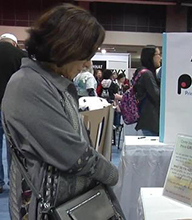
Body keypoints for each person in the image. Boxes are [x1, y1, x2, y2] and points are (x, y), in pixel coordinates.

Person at [1, 4, 124, 219]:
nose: (87, 64)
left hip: (67, 202)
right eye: (85, 55)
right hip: (47, 207)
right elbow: (72, 153)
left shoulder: (52, 82)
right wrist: (112, 173)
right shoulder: (28, 84)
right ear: (65, 47)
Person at [0, 33, 27, 194]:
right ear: (15, 43)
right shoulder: (21, 56)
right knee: (14, 147)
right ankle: (14, 182)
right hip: (14, 107)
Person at [134, 45, 161, 136]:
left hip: (147, 119)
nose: (160, 58)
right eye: (158, 54)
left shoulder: (142, 72)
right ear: (151, 57)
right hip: (151, 120)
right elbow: (157, 96)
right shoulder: (147, 74)